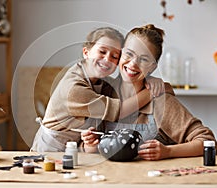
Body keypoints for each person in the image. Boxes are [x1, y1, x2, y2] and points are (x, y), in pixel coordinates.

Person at [81, 24, 217, 160]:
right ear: (120, 53)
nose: (134, 64)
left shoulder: (161, 102)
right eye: (129, 54)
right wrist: (90, 144)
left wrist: (168, 152)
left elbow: (208, 142)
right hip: (111, 180)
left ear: (152, 67)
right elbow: (88, 149)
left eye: (144, 59)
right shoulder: (101, 94)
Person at [31, 27, 171, 152]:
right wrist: (154, 91)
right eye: (102, 51)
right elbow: (120, 111)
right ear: (86, 52)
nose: (107, 59)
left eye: (115, 56)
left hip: (74, 149)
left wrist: (151, 80)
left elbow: (126, 83)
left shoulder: (99, 82)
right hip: (49, 150)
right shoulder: (74, 89)